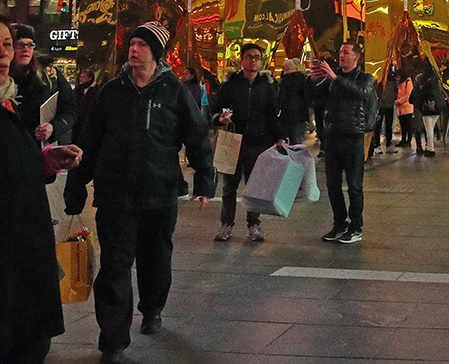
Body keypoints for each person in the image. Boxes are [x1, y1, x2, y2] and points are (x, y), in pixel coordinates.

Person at [64, 22, 215, 363]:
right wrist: (76, 185)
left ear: (156, 52)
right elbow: (89, 140)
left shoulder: (173, 90)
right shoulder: (111, 91)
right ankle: (113, 342)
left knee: (155, 258)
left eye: (142, 44)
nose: (133, 49)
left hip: (159, 193)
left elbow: (196, 135)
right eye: (131, 43)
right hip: (115, 195)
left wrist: (205, 180)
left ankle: (152, 308)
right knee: (114, 266)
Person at [1, 20, 85, 364]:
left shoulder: (10, 101)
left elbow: (12, 160)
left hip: (24, 251)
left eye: (7, 44)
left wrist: (48, 158)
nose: (4, 53)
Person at [211, 43, 284, 243]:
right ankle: (226, 224)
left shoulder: (267, 86)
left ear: (261, 62)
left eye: (257, 57)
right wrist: (220, 119)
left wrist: (279, 136)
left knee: (254, 187)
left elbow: (272, 115)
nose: (253, 61)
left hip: (258, 143)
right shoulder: (230, 85)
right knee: (229, 187)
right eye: (249, 57)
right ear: (241, 60)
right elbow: (216, 110)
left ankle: (254, 225)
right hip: (232, 141)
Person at [310, 42, 376, 244]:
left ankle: (356, 227)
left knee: (354, 185)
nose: (341, 55)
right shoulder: (331, 77)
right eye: (340, 52)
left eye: (346, 52)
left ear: (356, 56)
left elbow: (362, 93)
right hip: (333, 135)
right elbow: (314, 99)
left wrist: (336, 78)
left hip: (353, 135)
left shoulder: (365, 78)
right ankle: (339, 224)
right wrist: (313, 81)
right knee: (333, 185)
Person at [9, 24, 76, 144]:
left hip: (39, 146)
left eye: (30, 45)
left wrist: (53, 128)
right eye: (20, 44)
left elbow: (70, 108)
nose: (26, 49)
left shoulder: (50, 75)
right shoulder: (4, 78)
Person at [411, 62, 447, 157]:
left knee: (429, 130)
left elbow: (417, 95)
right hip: (437, 109)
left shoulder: (424, 84)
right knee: (430, 129)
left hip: (427, 110)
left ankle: (431, 149)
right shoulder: (436, 83)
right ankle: (428, 147)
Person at [278, 58, 311, 148]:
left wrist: (277, 110)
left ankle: (287, 155)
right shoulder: (303, 79)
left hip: (286, 113)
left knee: (285, 140)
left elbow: (281, 97)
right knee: (297, 140)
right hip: (301, 112)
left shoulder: (284, 81)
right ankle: (298, 155)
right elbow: (307, 95)